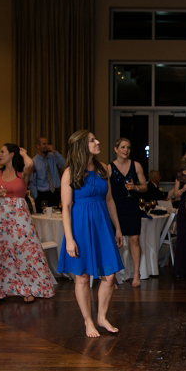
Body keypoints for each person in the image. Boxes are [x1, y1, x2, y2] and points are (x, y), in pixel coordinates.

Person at [57, 130, 124, 337]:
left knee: (110, 275)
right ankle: (88, 321)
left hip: (102, 225)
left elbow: (110, 200)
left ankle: (101, 316)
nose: (98, 142)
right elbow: (66, 207)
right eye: (92, 140)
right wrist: (70, 238)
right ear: (81, 146)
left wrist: (118, 228)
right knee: (83, 277)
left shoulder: (104, 169)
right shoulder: (70, 172)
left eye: (96, 138)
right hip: (80, 227)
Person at [0, 143, 55, 305]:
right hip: (0, 215)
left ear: (11, 154)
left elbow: (30, 164)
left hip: (19, 215)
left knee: (25, 250)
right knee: (0, 251)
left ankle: (28, 287)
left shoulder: (21, 174)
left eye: (2, 152)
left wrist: (23, 153)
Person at [109, 137, 148, 287]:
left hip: (132, 206)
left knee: (134, 240)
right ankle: (113, 276)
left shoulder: (136, 165)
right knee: (115, 242)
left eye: (128, 148)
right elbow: (107, 192)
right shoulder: (109, 168)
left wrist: (136, 188)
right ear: (116, 149)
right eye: (123, 147)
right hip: (116, 208)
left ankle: (136, 273)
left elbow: (145, 186)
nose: (126, 150)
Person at [30, 137, 65, 209]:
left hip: (54, 193)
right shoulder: (34, 162)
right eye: (44, 144)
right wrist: (36, 197)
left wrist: (55, 152)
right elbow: (32, 182)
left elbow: (64, 165)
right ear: (37, 146)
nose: (47, 146)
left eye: (47, 144)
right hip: (42, 194)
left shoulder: (53, 157)